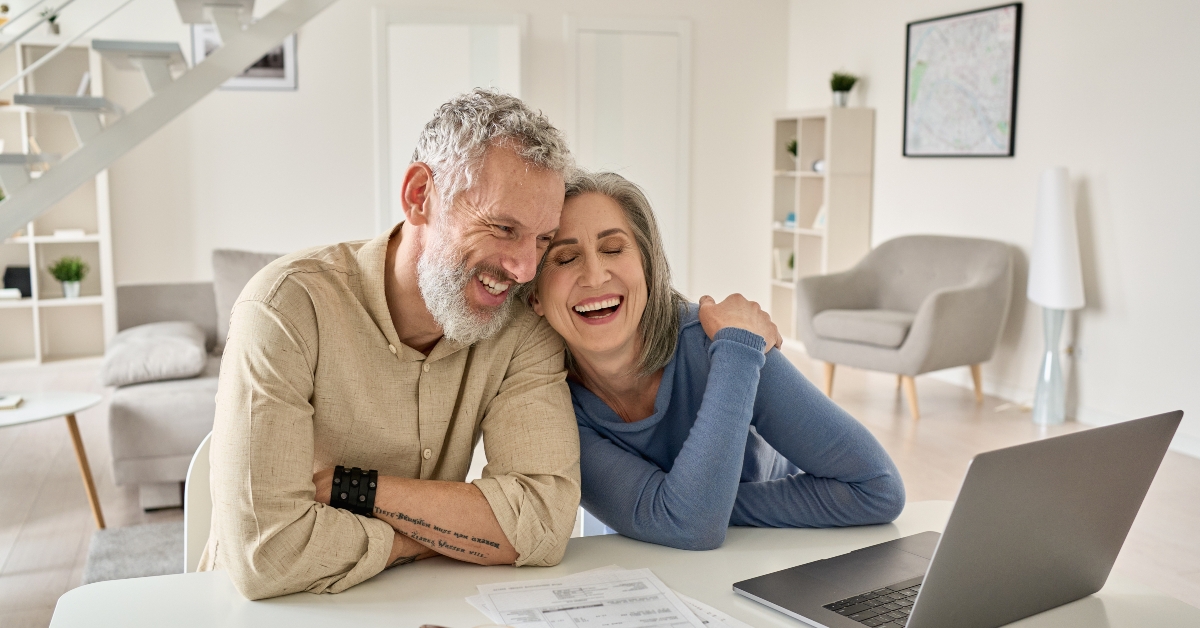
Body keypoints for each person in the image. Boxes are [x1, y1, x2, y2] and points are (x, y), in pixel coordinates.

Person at [200, 90, 581, 600]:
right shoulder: (286, 306)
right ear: (420, 195)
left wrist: (350, 489)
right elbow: (268, 554)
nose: (525, 268)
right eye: (503, 228)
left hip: (412, 605)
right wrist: (433, 538)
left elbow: (543, 520)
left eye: (541, 239)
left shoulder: (521, 327)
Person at [530, 171, 905, 550]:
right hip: (650, 568)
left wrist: (694, 505)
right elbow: (688, 524)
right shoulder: (547, 404)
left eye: (613, 249)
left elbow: (878, 488)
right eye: (565, 258)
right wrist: (689, 508)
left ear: (646, 267)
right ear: (534, 298)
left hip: (773, 554)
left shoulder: (727, 344)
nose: (595, 276)